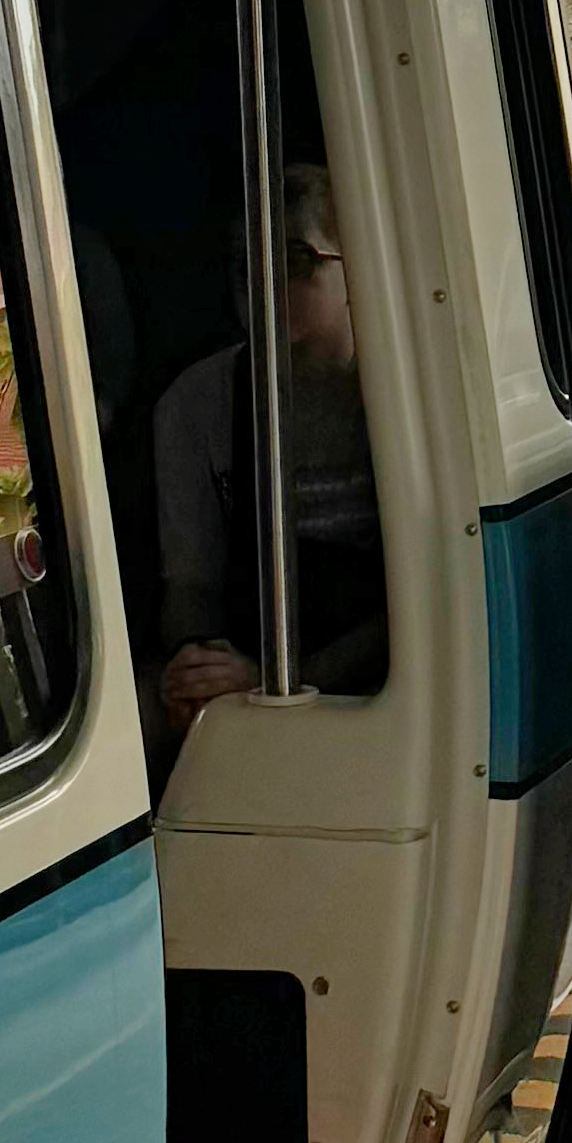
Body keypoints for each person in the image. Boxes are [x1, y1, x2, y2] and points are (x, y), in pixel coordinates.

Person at [146, 166, 368, 750]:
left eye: (293, 262)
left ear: (356, 265)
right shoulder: (196, 407)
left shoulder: (403, 396)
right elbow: (191, 582)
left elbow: (434, 598)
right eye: (246, 269)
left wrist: (285, 680)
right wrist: (197, 665)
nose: (264, 287)